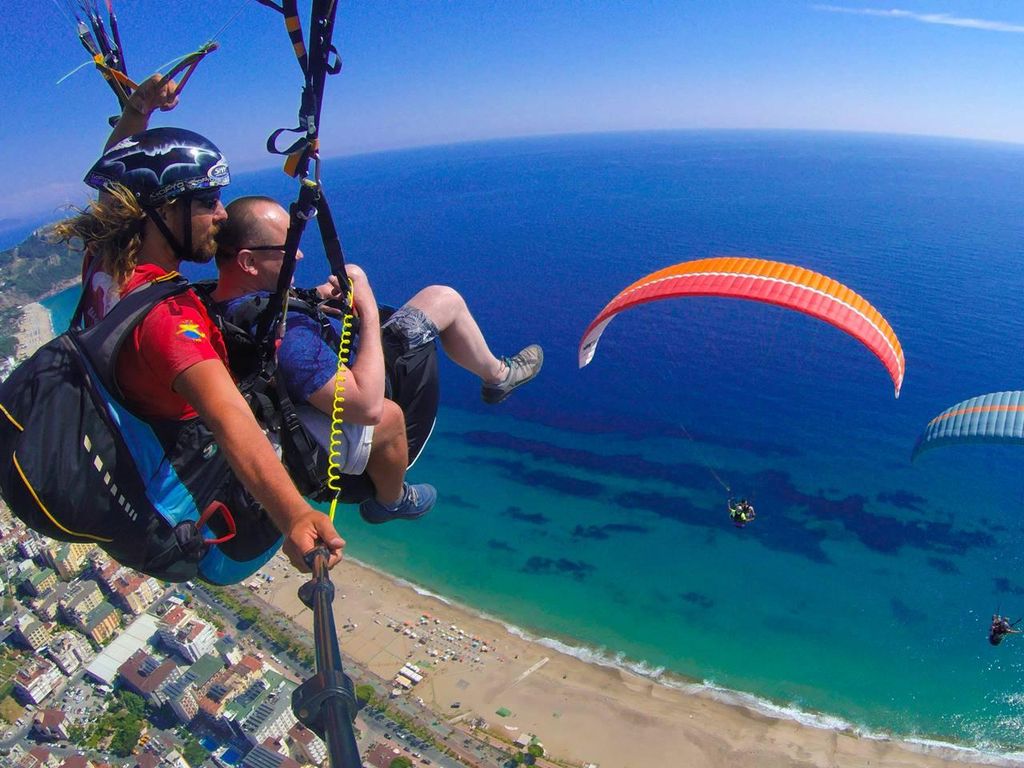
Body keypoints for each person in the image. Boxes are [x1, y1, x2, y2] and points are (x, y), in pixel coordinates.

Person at [52, 128, 345, 575]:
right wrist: (295, 516)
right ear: (164, 210)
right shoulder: (168, 320)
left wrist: (138, 113)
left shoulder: (104, 265)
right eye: (207, 202)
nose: (222, 215)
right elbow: (229, 417)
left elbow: (119, 191)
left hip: (141, 485)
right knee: (351, 408)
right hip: (217, 536)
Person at [211, 196, 544, 515]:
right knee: (434, 320)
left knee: (442, 299)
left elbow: (275, 312)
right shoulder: (291, 338)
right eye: (286, 248)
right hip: (349, 444)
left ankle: (498, 376)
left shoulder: (227, 303)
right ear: (248, 262)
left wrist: (315, 296)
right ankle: (392, 499)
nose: (298, 255)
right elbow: (367, 408)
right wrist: (367, 308)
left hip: (314, 402)